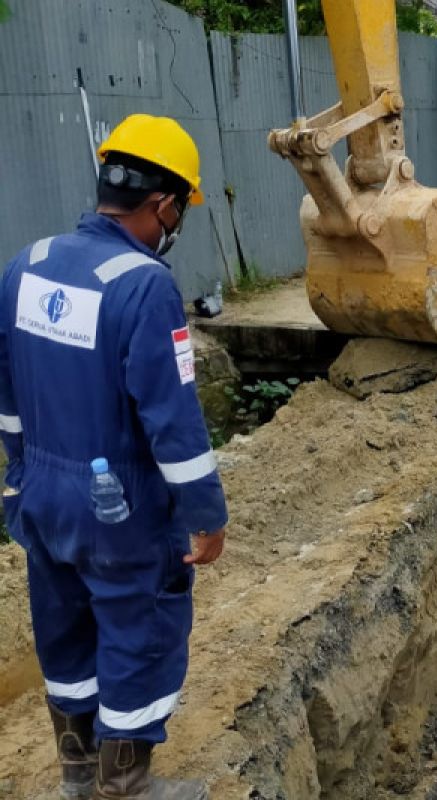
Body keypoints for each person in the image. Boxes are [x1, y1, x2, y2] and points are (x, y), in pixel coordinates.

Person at [0, 114, 227, 799]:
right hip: (118, 506)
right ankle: (125, 784)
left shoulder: (26, 265)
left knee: (64, 625)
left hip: (42, 489)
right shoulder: (143, 285)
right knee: (138, 630)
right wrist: (206, 516)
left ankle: (76, 774)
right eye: (177, 213)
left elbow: (8, 396)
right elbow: (173, 423)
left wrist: (19, 478)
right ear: (162, 205)